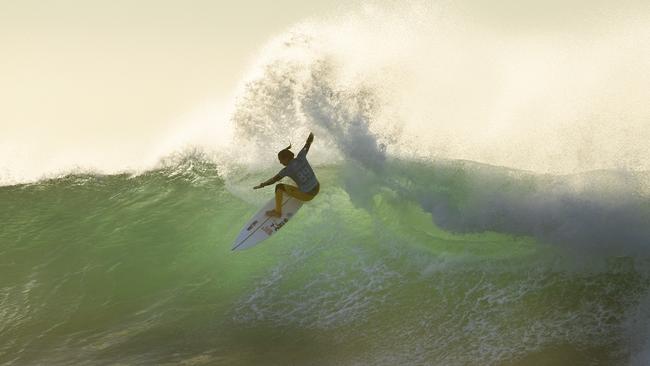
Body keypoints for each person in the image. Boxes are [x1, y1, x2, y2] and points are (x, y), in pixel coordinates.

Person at [253, 132, 320, 217]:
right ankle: (299, 189)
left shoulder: (286, 170)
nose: (280, 162)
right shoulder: (301, 156)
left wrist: (262, 185)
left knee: (279, 187)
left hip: (308, 195)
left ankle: (277, 212)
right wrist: (312, 133)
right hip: (317, 187)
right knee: (295, 180)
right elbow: (308, 143)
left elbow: (273, 180)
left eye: (281, 160)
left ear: (286, 158)